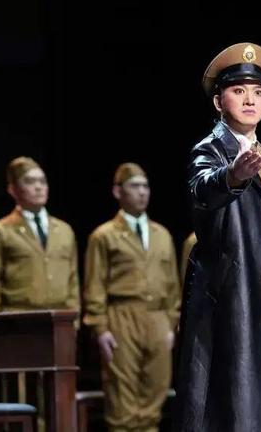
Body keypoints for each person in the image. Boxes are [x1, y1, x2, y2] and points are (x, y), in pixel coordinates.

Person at [175, 42, 261, 431]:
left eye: (258, 92)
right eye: (238, 91)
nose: (250, 100)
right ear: (219, 101)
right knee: (228, 404)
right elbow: (202, 189)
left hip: (260, 293)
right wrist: (232, 177)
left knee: (257, 399)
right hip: (228, 296)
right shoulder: (212, 150)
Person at [0, 156, 80, 430]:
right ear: (13, 189)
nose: (38, 187)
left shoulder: (64, 230)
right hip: (17, 324)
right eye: (30, 182)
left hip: (56, 324)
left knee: (58, 399)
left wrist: (74, 322)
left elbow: (73, 281)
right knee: (22, 397)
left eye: (42, 181)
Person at [82, 162, 180, 432]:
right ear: (118, 192)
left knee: (155, 394)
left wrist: (171, 323)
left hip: (157, 317)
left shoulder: (161, 234)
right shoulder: (104, 236)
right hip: (122, 316)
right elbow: (94, 285)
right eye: (135, 186)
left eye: (145, 186)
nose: (142, 192)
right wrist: (100, 327)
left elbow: (172, 283)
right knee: (122, 397)